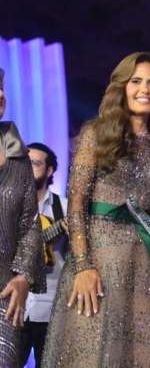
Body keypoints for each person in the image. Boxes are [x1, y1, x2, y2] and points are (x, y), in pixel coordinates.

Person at [42, 52, 150, 367]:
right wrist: (83, 266)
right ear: (122, 87)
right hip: (97, 265)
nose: (145, 89)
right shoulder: (96, 135)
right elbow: (76, 204)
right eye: (136, 81)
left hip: (143, 268)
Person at [0, 67, 46, 365]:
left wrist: (23, 277)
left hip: (5, 295)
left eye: (1, 88)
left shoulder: (18, 156)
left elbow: (30, 224)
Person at [19, 143, 67, 367]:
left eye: (35, 163)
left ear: (49, 171)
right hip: (12, 305)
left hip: (50, 307)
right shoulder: (7, 205)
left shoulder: (64, 208)